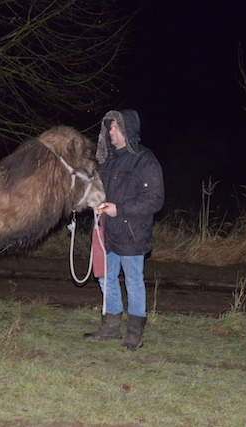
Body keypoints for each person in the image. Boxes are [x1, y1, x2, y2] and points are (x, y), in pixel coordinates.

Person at [84, 109, 164, 351]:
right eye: (109, 128)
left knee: (133, 282)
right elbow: (97, 190)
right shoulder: (106, 160)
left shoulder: (145, 160)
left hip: (132, 233)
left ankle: (134, 335)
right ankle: (110, 328)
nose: (111, 132)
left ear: (128, 131)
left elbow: (155, 200)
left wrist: (119, 209)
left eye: (116, 128)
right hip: (106, 231)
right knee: (105, 279)